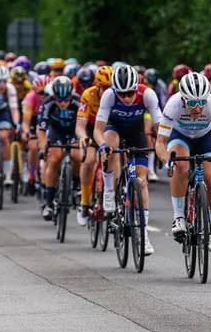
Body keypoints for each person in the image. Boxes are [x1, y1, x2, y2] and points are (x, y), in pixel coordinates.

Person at [155, 72, 211, 252]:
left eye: (201, 102)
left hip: (206, 137)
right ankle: (178, 218)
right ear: (183, 100)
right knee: (180, 166)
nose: (198, 107)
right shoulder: (173, 105)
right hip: (180, 136)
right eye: (192, 103)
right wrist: (167, 160)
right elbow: (160, 143)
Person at [94, 65, 162, 255]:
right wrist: (101, 145)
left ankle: (143, 235)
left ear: (137, 87)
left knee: (141, 182)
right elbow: (98, 129)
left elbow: (160, 123)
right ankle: (109, 190)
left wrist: (161, 143)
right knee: (109, 147)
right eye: (121, 94)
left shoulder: (147, 94)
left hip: (136, 133)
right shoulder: (109, 95)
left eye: (130, 93)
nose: (126, 97)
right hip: (114, 129)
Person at [37, 76, 81, 220]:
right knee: (54, 158)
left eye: (66, 100)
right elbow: (41, 129)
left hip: (74, 131)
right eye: (59, 100)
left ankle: (75, 185)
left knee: (77, 156)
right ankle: (49, 203)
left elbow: (83, 125)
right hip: (56, 131)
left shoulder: (78, 101)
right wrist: (43, 147)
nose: (62, 103)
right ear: (53, 96)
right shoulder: (48, 103)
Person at [75, 65, 112, 225]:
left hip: (110, 127)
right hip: (91, 127)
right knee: (89, 160)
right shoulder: (88, 95)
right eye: (104, 87)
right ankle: (84, 202)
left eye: (110, 87)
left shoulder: (116, 96)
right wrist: (83, 137)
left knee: (119, 154)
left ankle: (116, 193)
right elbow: (80, 125)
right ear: (97, 85)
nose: (107, 91)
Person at [22, 75, 49, 192]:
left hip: (48, 121)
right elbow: (25, 122)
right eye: (40, 93)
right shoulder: (30, 98)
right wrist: (27, 132)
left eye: (46, 93)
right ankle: (31, 175)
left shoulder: (53, 98)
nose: (43, 96)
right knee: (33, 146)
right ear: (34, 91)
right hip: (34, 120)